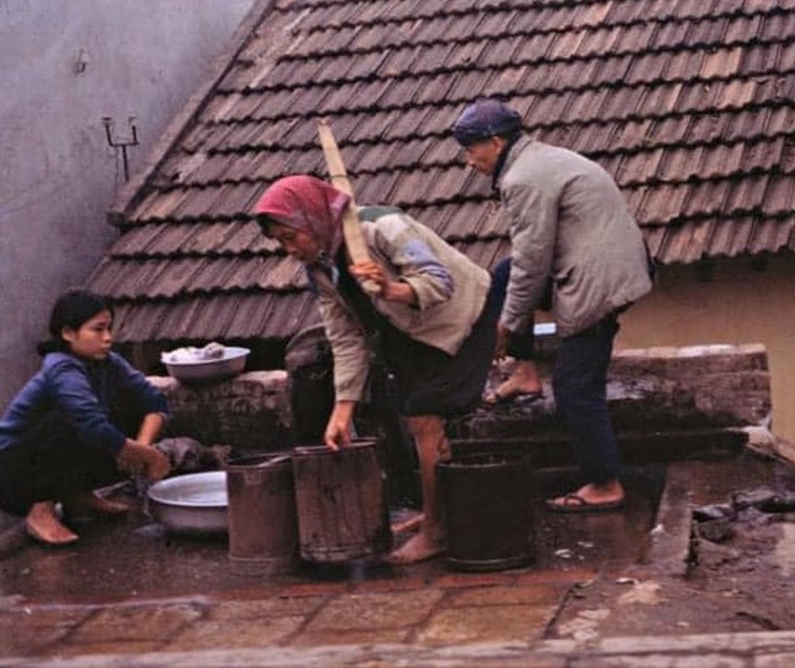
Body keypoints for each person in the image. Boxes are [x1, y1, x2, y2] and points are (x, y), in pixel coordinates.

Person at [253, 175, 500, 563]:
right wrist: (343, 407)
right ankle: (440, 511)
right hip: (406, 332)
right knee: (419, 417)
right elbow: (346, 336)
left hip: (465, 317)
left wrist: (389, 289)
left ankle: (436, 530)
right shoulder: (320, 269)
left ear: (314, 219)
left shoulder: (382, 227)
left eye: (291, 236)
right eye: (280, 242)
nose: (289, 249)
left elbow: (438, 282)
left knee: (423, 416)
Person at [453, 97, 653, 512]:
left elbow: (534, 260)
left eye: (471, 150)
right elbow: (525, 264)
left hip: (597, 282)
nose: (468, 162)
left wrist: (506, 326)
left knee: (575, 387)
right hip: (606, 265)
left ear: (494, 141)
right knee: (505, 273)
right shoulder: (538, 159)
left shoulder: (522, 179)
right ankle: (525, 373)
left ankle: (604, 483)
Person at [0, 290, 172, 545]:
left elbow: (154, 401)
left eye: (109, 328)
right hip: (13, 473)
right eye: (98, 330)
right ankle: (41, 510)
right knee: (75, 422)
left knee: (124, 417)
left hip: (42, 460)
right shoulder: (61, 368)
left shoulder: (108, 362)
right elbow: (90, 425)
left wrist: (143, 448)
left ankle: (77, 497)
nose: (108, 338)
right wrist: (150, 456)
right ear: (68, 333)